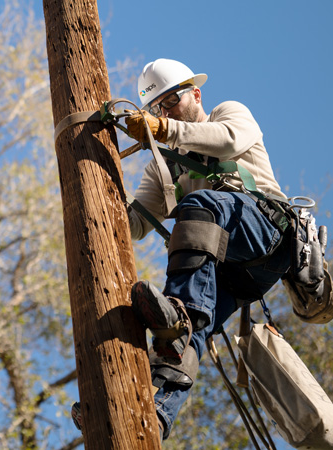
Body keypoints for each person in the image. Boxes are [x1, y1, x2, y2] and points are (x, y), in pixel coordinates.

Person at [124, 58, 292, 440]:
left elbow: (229, 140)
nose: (164, 112)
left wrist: (165, 128)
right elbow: (135, 224)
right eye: (156, 108)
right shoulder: (162, 165)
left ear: (195, 94)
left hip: (268, 236)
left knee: (200, 206)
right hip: (231, 271)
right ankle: (151, 417)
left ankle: (183, 314)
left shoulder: (228, 113)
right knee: (187, 340)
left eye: (171, 102)